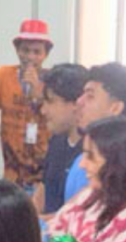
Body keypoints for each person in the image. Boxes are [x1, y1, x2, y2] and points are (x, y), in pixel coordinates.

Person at [0, 19, 53, 189]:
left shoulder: (53, 80)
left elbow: (58, 116)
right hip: (12, 172)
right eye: (25, 50)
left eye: (37, 52)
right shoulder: (3, 75)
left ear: (45, 54)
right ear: (17, 50)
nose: (30, 57)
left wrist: (38, 92)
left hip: (44, 173)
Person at [65, 63, 126, 202]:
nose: (79, 101)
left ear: (115, 108)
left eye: (90, 96)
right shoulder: (84, 160)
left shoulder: (108, 169)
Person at [34, 63, 88, 216]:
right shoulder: (56, 141)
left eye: (50, 101)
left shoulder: (93, 151)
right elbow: (41, 194)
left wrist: (38, 227)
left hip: (70, 239)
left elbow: (75, 219)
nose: (43, 110)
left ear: (75, 103)